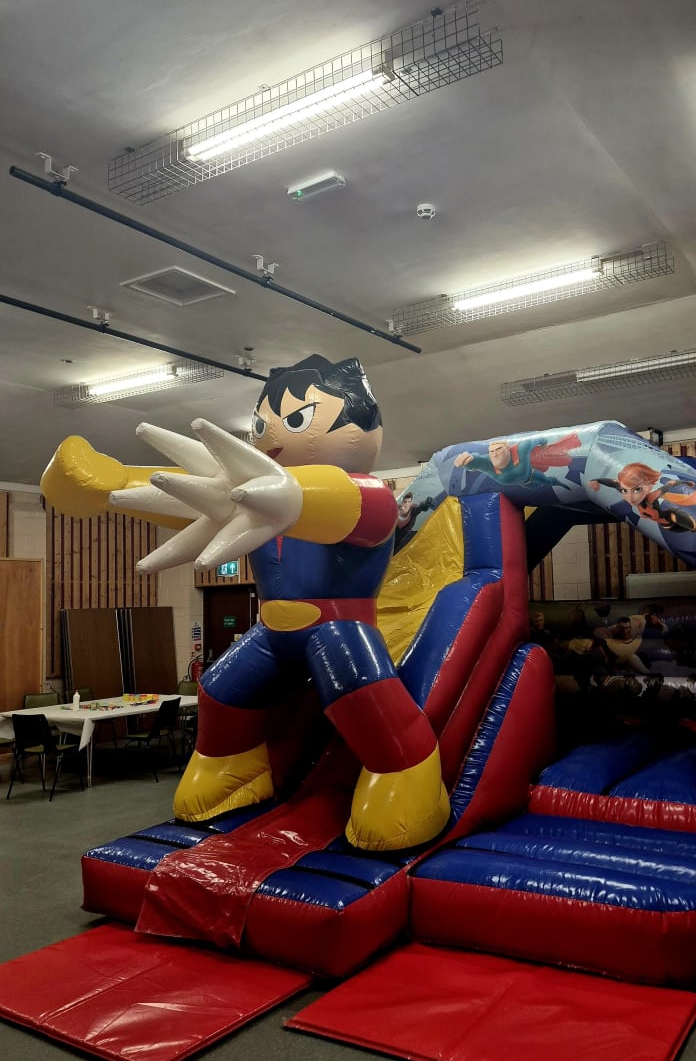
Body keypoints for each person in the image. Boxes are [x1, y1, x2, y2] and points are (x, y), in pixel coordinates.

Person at [41, 354, 450, 853]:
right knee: (219, 689)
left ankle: (406, 766)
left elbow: (343, 505)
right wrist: (113, 485)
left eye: (296, 419)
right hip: (273, 631)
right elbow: (198, 498)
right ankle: (234, 766)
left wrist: (283, 495)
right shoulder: (256, 497)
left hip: (338, 628)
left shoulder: (369, 494)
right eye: (262, 423)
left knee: (358, 691)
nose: (271, 434)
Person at [588, 461, 696, 544]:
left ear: (648, 486)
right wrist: (595, 481)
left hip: (672, 518)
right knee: (695, 529)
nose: (631, 497)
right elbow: (611, 482)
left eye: (637, 490)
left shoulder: (651, 497)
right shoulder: (622, 488)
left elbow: (670, 485)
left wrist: (686, 483)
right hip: (666, 526)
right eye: (624, 491)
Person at [454, 431, 581, 491]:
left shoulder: (521, 449)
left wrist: (544, 445)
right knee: (533, 487)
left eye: (498, 449)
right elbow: (475, 462)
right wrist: (467, 461)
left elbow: (540, 439)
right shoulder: (489, 462)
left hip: (531, 476)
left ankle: (559, 483)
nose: (495, 454)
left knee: (547, 481)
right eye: (491, 451)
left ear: (507, 449)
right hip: (523, 483)